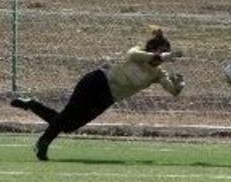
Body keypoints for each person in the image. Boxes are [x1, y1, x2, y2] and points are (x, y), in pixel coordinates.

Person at [11, 27, 184, 161]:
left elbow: (173, 91)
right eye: (159, 53)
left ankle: (32, 104)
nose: (160, 59)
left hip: (107, 98)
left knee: (70, 126)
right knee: (65, 117)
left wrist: (178, 85)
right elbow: (140, 55)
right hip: (97, 81)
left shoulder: (158, 73)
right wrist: (167, 56)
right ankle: (43, 143)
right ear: (152, 50)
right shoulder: (136, 53)